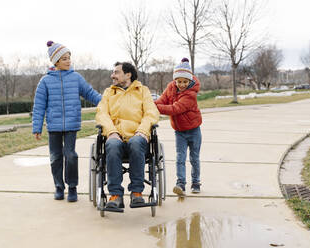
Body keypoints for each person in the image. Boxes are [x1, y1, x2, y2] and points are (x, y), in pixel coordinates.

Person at [32, 41, 102, 202]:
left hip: (71, 124)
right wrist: (37, 127)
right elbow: (39, 106)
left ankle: (72, 187)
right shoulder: (45, 82)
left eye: (69, 57)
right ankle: (58, 187)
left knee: (70, 155)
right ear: (55, 61)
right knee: (56, 157)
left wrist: (107, 102)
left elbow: (91, 94)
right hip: (53, 126)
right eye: (64, 58)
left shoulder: (76, 78)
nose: (68, 61)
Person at [95, 61, 160, 209]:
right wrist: (111, 132)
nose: (113, 75)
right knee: (111, 145)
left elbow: (151, 113)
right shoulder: (109, 92)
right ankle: (115, 195)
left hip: (137, 136)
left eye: (116, 72)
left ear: (128, 74)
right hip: (115, 137)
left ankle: (136, 193)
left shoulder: (143, 91)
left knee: (136, 143)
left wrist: (142, 131)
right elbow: (101, 114)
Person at [155, 58, 202, 196]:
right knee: (180, 158)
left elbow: (175, 109)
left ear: (190, 81)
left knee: (194, 158)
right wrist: (152, 104)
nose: (181, 84)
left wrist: (155, 107)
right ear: (175, 80)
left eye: (185, 82)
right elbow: (162, 100)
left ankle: (196, 182)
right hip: (179, 132)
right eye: (179, 81)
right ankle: (180, 184)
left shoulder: (191, 94)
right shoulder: (170, 87)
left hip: (194, 130)